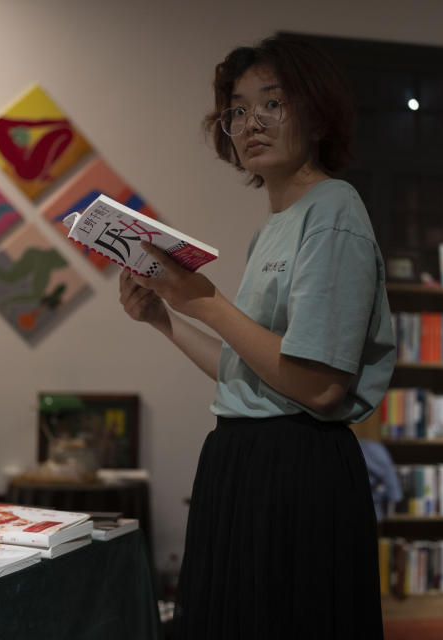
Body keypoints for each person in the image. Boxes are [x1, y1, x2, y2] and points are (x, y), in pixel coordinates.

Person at [119, 34, 395, 639]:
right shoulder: (275, 227)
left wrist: (208, 302)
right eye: (237, 110)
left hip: (296, 470)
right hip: (241, 459)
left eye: (273, 102)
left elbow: (318, 386)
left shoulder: (334, 210)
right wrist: (167, 318)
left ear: (317, 114)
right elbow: (251, 371)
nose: (251, 122)